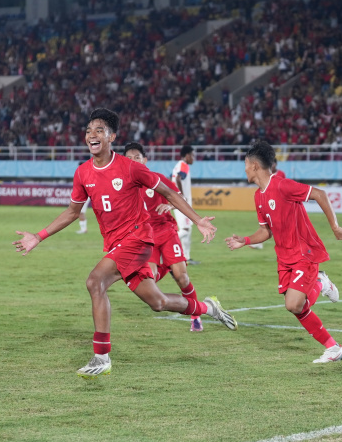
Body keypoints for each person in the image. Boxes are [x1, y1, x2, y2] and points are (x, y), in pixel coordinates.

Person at [12, 108, 237, 379]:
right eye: (88, 131)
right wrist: (38, 236)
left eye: (99, 130)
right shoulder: (83, 173)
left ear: (112, 137)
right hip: (117, 245)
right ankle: (209, 308)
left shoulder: (130, 168)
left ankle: (101, 356)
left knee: (95, 282)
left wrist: (197, 219)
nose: (91, 135)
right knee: (158, 301)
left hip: (139, 239)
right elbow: (72, 212)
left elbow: (168, 192)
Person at [225, 141, 342, 364]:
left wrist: (335, 227)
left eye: (245, 164)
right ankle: (321, 290)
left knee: (293, 304)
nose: (243, 169)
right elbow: (265, 231)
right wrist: (244, 241)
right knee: (298, 307)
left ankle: (333, 346)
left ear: (254, 165)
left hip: (304, 252)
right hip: (284, 258)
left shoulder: (282, 186)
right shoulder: (258, 196)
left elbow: (319, 194)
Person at [124, 142, 204, 332]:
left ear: (145, 160)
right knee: (149, 281)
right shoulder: (125, 187)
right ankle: (167, 267)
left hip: (166, 232)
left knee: (182, 278)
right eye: (129, 158)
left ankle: (196, 316)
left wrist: (170, 205)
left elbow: (180, 198)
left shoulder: (156, 179)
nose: (133, 161)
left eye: (137, 157)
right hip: (146, 238)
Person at [248, 161, 285, 250]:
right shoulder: (266, 174)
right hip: (269, 200)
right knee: (266, 223)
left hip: (278, 202)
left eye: (273, 163)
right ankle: (259, 242)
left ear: (276, 164)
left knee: (273, 224)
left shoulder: (281, 174)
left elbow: (283, 186)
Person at [172, 145, 197, 264]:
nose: (194, 158)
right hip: (181, 203)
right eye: (192, 155)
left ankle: (186, 257)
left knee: (188, 230)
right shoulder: (184, 165)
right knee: (185, 229)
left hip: (179, 202)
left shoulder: (178, 165)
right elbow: (178, 178)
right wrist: (181, 195)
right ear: (187, 156)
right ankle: (164, 244)